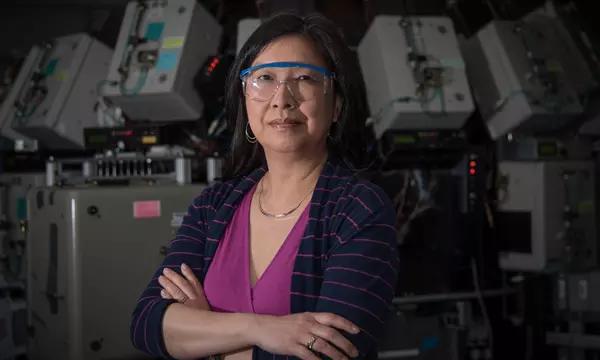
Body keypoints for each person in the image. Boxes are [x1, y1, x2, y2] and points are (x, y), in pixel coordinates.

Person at [130, 12, 398, 360]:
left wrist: (207, 338)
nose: (282, 99)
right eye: (265, 78)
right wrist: (260, 329)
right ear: (245, 101)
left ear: (337, 106)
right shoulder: (214, 205)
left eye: (304, 78)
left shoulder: (359, 208)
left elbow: (332, 352)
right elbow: (146, 323)